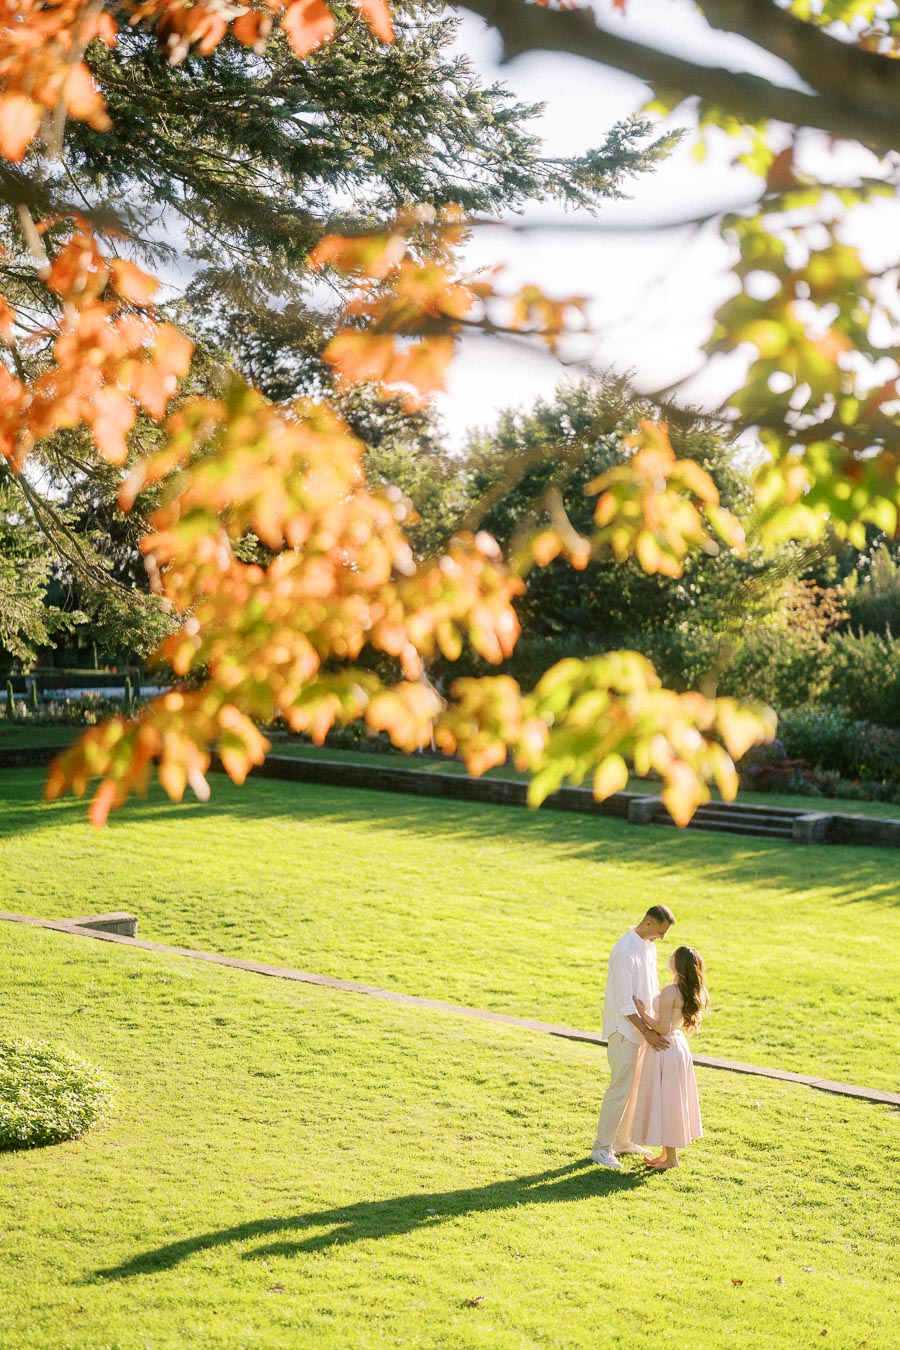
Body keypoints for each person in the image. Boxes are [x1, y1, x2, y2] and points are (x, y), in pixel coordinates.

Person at [590, 905, 675, 1170]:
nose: (661, 937)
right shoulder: (624, 949)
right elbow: (624, 1001)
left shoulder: (649, 948)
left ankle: (621, 1141)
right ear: (648, 923)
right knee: (620, 1089)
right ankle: (601, 1148)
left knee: (634, 1090)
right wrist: (647, 1032)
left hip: (642, 1031)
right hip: (624, 1031)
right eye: (660, 931)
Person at [630, 946, 709, 1171]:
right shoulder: (688, 989)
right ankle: (667, 1155)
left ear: (680, 964)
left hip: (665, 1048)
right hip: (678, 1045)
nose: (669, 957)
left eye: (673, 956)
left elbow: (662, 1027)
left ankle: (672, 1159)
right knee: (671, 1099)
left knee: (666, 1100)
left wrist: (642, 1013)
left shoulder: (670, 991)